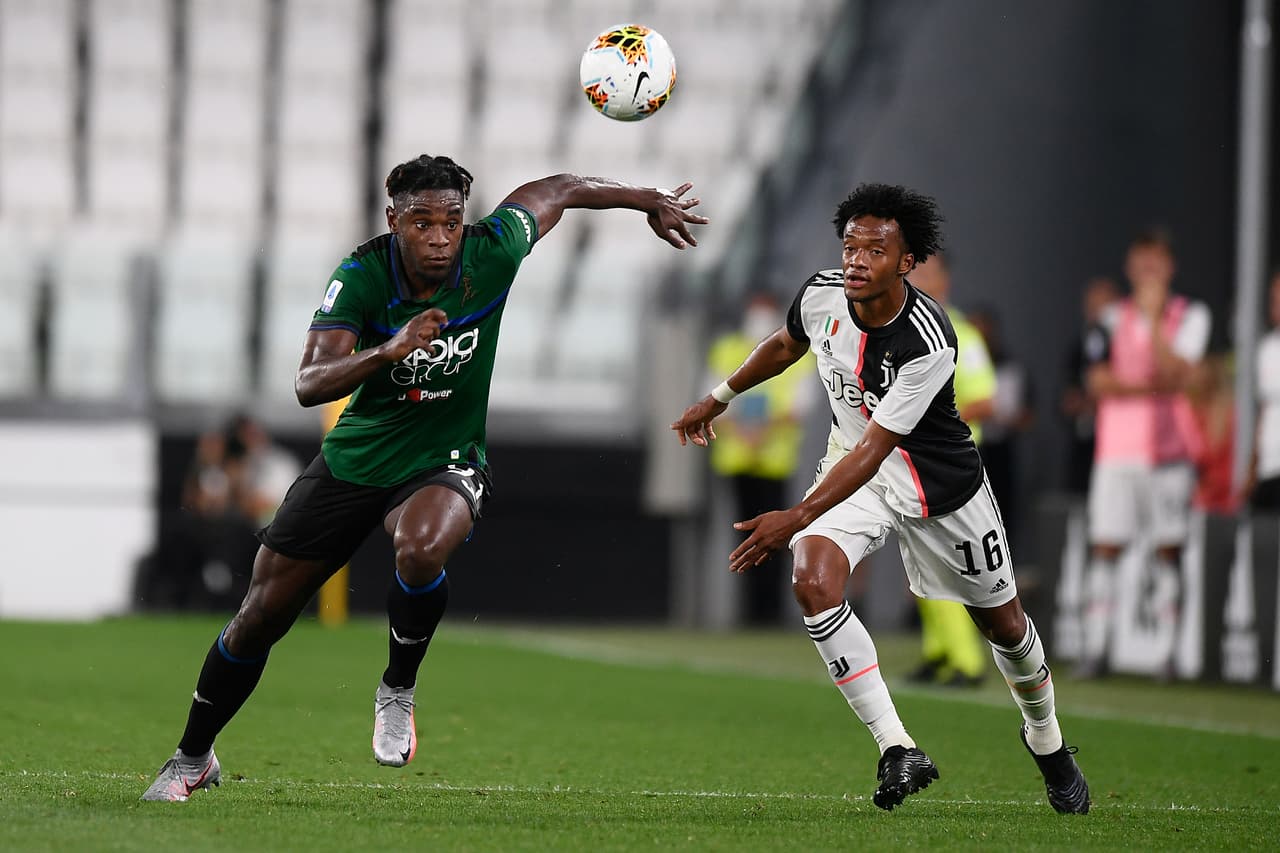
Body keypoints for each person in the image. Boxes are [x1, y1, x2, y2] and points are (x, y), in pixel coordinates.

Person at [141, 155, 708, 801]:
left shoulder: (494, 250)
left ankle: (398, 688)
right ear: (394, 220)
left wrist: (647, 197)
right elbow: (307, 383)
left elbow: (562, 188)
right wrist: (388, 349)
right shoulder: (361, 275)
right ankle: (193, 757)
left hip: (446, 455)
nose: (439, 238)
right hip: (357, 460)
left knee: (421, 545)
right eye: (422, 223)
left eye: (451, 222)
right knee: (259, 615)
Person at [671, 183, 1089, 814]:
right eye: (850, 245)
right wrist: (719, 397)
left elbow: (878, 448)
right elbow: (787, 345)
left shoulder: (929, 341)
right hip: (854, 464)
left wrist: (797, 513)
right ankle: (897, 746)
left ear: (907, 261)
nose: (858, 259)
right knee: (813, 579)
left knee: (1003, 625)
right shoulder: (820, 295)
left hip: (940, 487)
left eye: (875, 248)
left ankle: (1048, 742)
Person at [1080, 229, 1209, 679]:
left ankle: (1167, 655)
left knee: (1168, 550)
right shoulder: (1111, 317)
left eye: (1156, 263)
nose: (1148, 271)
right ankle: (1097, 649)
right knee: (1106, 546)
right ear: (1130, 267)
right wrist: (1157, 384)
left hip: (1169, 453)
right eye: (1142, 263)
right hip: (1117, 451)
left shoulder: (1190, 315)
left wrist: (1155, 322)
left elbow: (1182, 371)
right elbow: (1096, 381)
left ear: (1169, 267)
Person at [898, 254, 996, 687]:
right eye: (913, 269)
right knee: (921, 561)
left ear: (944, 278)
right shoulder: (903, 328)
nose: (918, 278)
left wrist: (930, 417)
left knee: (949, 563)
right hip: (913, 460)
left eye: (926, 271)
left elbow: (984, 399)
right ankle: (938, 652)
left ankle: (967, 661)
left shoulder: (961, 332)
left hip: (950, 463)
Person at [705, 291, 815, 624]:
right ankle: (749, 612)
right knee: (742, 539)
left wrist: (760, 434)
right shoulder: (727, 350)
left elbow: (799, 406)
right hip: (738, 461)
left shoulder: (798, 353)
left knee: (775, 539)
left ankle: (769, 612)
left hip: (773, 463)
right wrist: (744, 434)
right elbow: (712, 396)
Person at [969, 305, 1035, 550]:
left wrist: (1001, 414)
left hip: (1000, 451)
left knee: (1001, 514)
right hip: (967, 450)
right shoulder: (957, 360)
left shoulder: (1009, 367)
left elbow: (1026, 415)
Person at [1060, 277, 1119, 496]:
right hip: (1083, 442)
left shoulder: (1126, 347)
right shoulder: (1078, 348)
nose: (1097, 313)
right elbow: (1065, 396)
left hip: (1117, 444)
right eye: (1092, 306)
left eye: (1103, 306)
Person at [1250, 272, 1280, 510]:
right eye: (1273, 299)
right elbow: (1263, 409)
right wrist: (1252, 466)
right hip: (1269, 469)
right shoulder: (1267, 348)